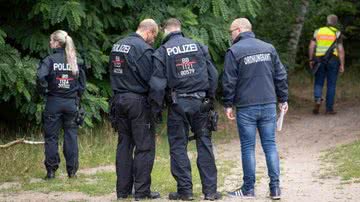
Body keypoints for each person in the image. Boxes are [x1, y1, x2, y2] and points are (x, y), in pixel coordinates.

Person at [149, 18, 221, 201]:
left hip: (178, 104)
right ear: (180, 29)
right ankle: (210, 192)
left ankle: (185, 191)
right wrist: (210, 99)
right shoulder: (198, 46)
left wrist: (156, 109)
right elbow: (213, 74)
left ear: (165, 30)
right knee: (204, 144)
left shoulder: (162, 52)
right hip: (201, 103)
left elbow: (157, 86)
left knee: (178, 147)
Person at [222, 18, 288, 200]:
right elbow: (280, 75)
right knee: (270, 146)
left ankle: (248, 189)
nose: (231, 35)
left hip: (246, 106)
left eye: (231, 31)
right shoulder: (269, 48)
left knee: (248, 147)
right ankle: (275, 189)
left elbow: (229, 81)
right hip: (268, 104)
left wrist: (228, 104)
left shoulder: (234, 51)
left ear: (239, 29)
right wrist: (283, 99)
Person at [108, 19, 160, 201]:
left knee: (124, 145)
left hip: (118, 100)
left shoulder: (117, 46)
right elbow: (151, 79)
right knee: (144, 147)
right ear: (150, 32)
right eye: (154, 36)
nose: (154, 40)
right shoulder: (143, 49)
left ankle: (122, 192)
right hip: (137, 102)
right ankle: (142, 192)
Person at [37, 30, 86, 180]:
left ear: (57, 43)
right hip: (71, 103)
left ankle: (51, 172)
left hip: (53, 102)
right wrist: (76, 97)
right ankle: (72, 172)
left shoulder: (50, 60)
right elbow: (82, 84)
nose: (50, 43)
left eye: (51, 41)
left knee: (52, 138)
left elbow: (40, 76)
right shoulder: (75, 60)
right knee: (71, 137)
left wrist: (44, 91)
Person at [309, 14, 345, 115]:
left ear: (327, 21)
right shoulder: (337, 33)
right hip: (333, 60)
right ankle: (329, 109)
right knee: (331, 84)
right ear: (335, 22)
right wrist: (342, 64)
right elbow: (341, 49)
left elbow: (311, 46)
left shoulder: (318, 31)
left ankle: (317, 99)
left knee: (318, 82)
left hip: (319, 60)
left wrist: (311, 59)